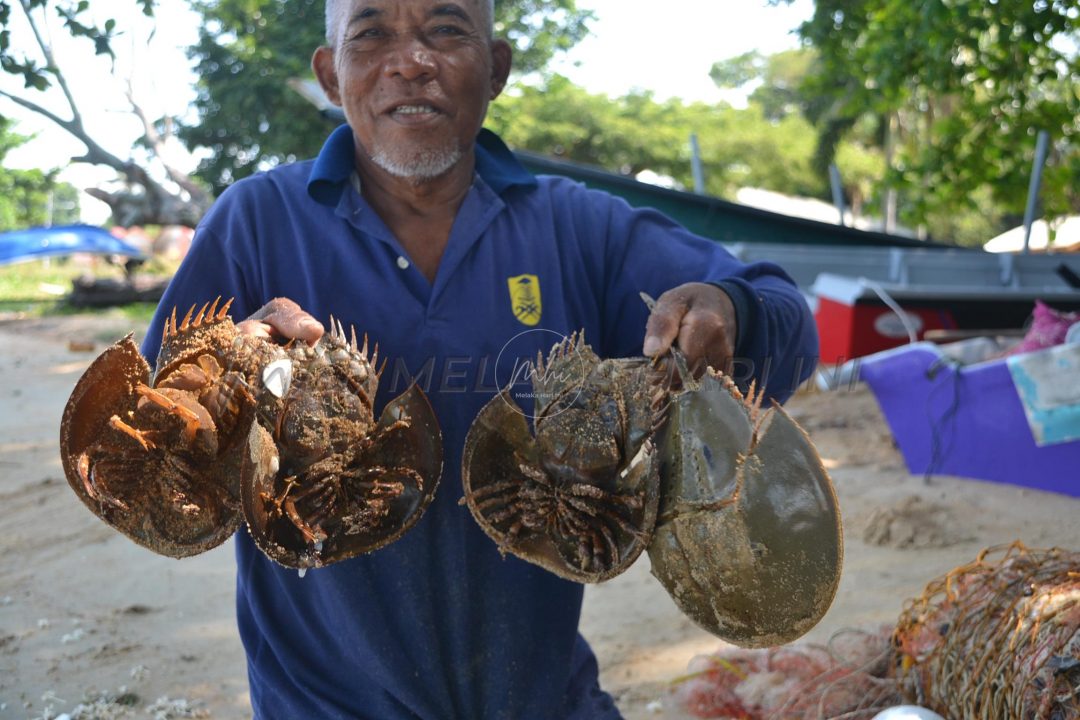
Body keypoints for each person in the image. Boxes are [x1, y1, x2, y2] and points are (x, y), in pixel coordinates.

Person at [141, 0, 819, 717]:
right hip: (323, 702)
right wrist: (225, 371)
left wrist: (729, 309)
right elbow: (157, 450)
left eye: (446, 29)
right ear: (331, 75)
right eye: (372, 34)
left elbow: (784, 319)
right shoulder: (255, 223)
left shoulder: (575, 226)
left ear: (496, 68)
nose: (412, 61)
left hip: (541, 696)